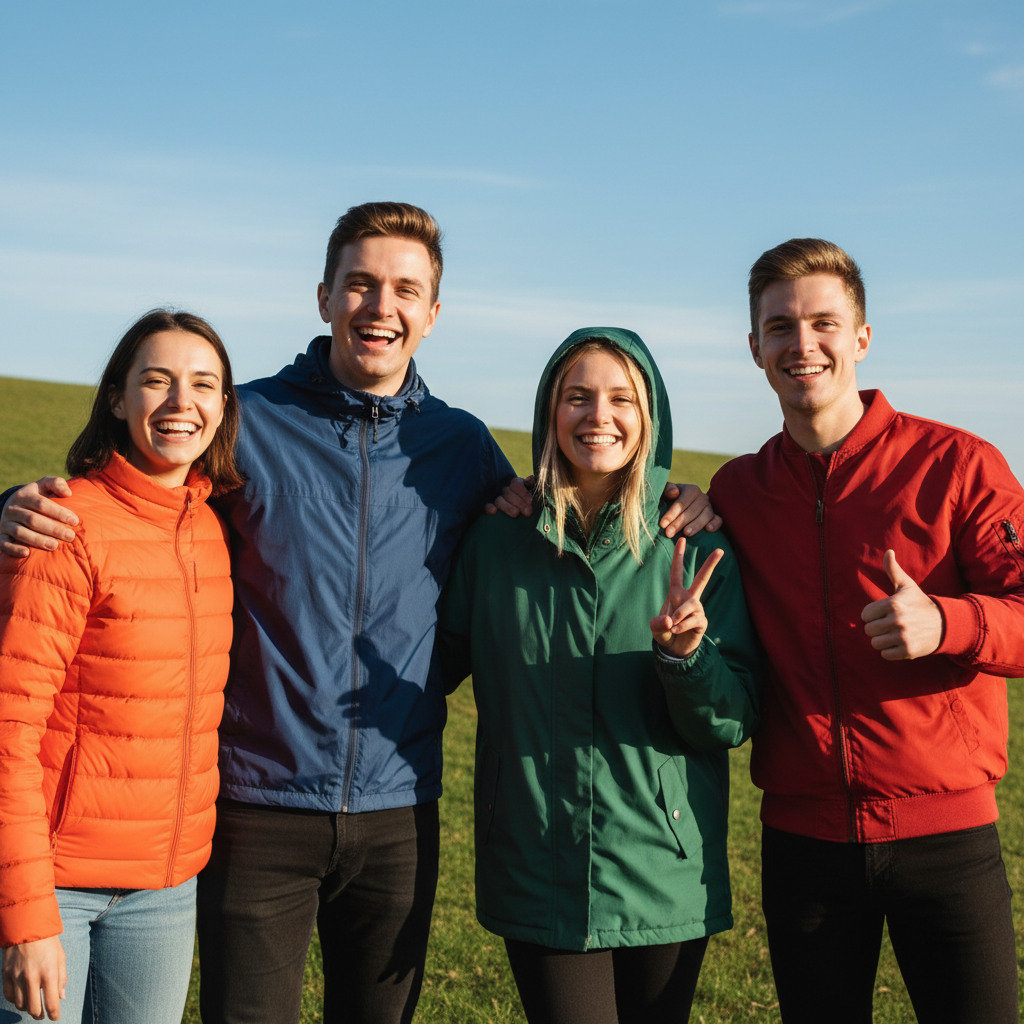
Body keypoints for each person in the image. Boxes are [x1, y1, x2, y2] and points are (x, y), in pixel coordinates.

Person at [0, 205, 720, 1024]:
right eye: (362, 285)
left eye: (406, 290)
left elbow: (563, 508)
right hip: (256, 802)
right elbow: (135, 494)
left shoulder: (462, 446)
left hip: (398, 811)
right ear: (324, 297)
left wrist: (679, 493)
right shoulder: (248, 419)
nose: (382, 307)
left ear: (432, 314)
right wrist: (9, 510)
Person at [694, 238, 1024, 1023]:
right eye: (779, 328)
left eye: (823, 323)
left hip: (947, 838)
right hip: (803, 848)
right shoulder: (739, 490)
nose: (801, 345)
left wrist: (949, 621)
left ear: (862, 338)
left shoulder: (960, 465)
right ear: (754, 348)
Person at [437, 328, 761, 1024]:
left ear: (649, 418)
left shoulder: (693, 542)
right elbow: (434, 664)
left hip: (663, 867)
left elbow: (732, 718)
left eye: (621, 398)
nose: (598, 415)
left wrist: (686, 658)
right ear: (550, 412)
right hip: (535, 860)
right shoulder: (497, 539)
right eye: (576, 396)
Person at [0, 310, 240, 1023]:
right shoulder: (64, 528)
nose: (180, 403)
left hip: (166, 886)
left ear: (223, 406)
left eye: (203, 384)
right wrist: (25, 915)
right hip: (57, 886)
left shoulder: (212, 526)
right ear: (116, 397)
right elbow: (9, 731)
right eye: (156, 381)